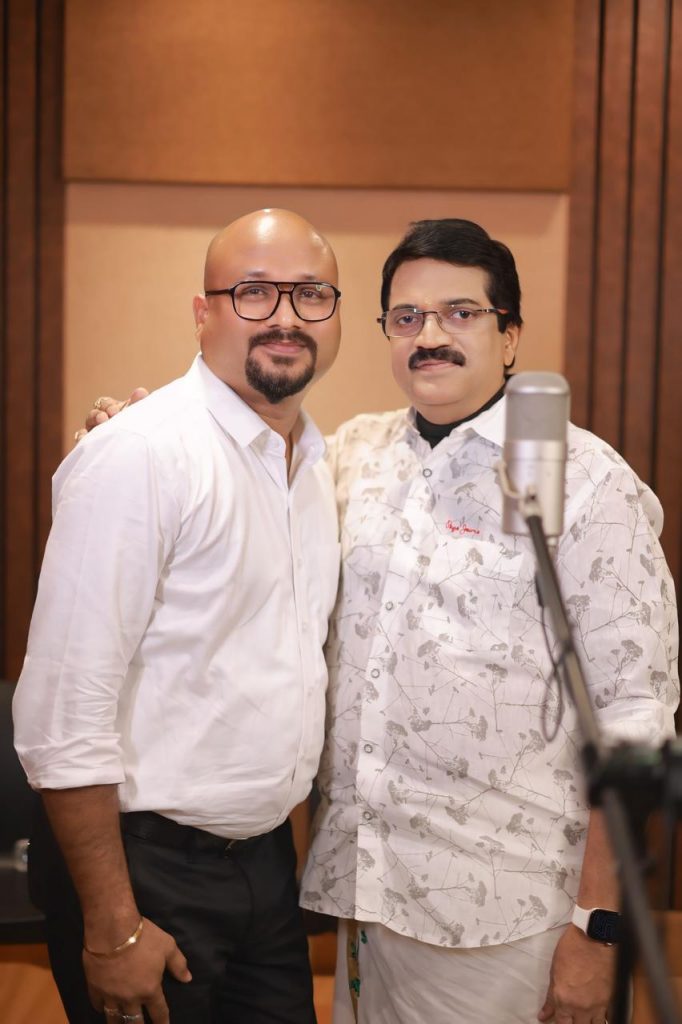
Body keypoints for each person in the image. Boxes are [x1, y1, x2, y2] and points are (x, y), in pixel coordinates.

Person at [77, 218, 680, 1023]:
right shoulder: (348, 458)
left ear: (510, 336)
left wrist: (598, 929)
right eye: (407, 316)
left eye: (461, 312)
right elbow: (240, 478)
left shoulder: (586, 482)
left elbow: (635, 721)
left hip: (514, 916)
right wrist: (129, 436)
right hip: (366, 896)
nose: (429, 335)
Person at [13, 208, 343, 1024]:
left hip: (266, 866)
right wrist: (113, 925)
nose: (285, 317)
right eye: (253, 292)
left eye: (310, 294)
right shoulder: (141, 452)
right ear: (203, 313)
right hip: (142, 871)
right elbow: (62, 713)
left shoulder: (314, 463)